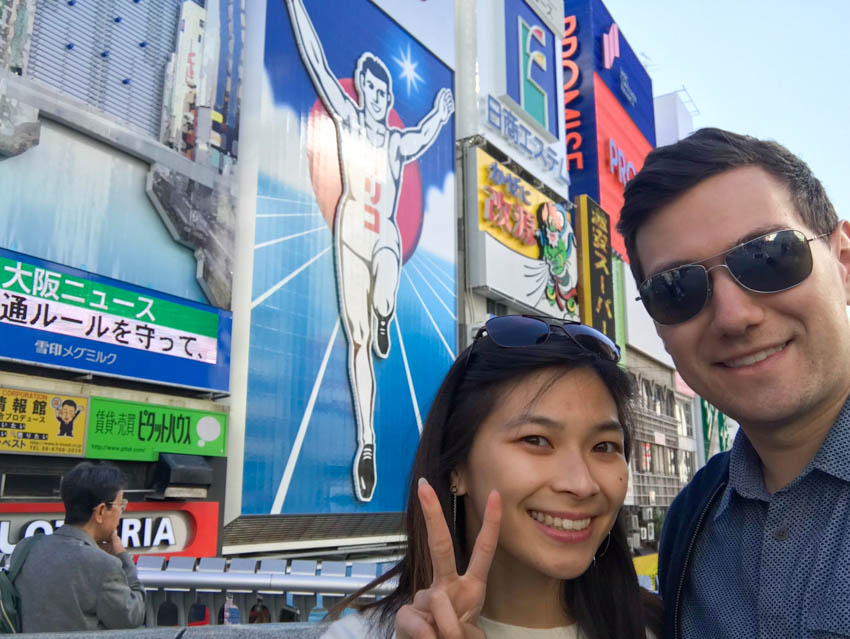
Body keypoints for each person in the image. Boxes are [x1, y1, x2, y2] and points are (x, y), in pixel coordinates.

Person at [617, 128, 850, 638]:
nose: (733, 316)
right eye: (677, 289)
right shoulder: (693, 518)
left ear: (844, 261)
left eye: (768, 255)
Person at [321, 315, 661, 638]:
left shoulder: (667, 627)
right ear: (458, 467)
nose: (581, 484)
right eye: (536, 440)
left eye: (604, 446)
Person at [285, 0, 454, 502]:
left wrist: (442, 115)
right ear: (361, 91)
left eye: (384, 91)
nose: (377, 97)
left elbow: (424, 134)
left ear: (388, 96)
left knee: (388, 258)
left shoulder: (397, 142)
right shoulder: (346, 118)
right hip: (349, 230)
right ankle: (365, 442)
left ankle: (385, 312)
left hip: (382, 233)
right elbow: (314, 60)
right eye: (370, 88)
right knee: (358, 346)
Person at [10, 461, 146, 632]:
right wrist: (123, 558)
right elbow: (133, 616)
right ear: (101, 511)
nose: (121, 512)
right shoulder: (104, 566)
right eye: (121, 505)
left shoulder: (26, 548)